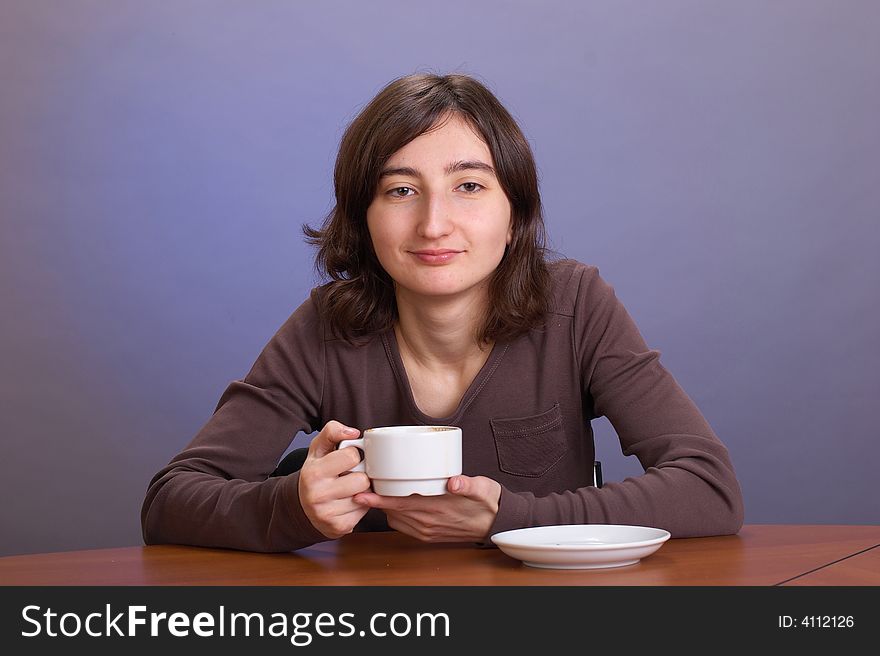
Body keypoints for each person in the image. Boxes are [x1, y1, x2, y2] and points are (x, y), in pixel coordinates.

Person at [141, 72, 744, 552]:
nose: (433, 224)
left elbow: (709, 489)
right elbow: (170, 500)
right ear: (363, 215)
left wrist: (508, 519)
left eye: (470, 186)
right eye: (400, 190)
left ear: (516, 213)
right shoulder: (328, 327)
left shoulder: (576, 305)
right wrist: (294, 509)